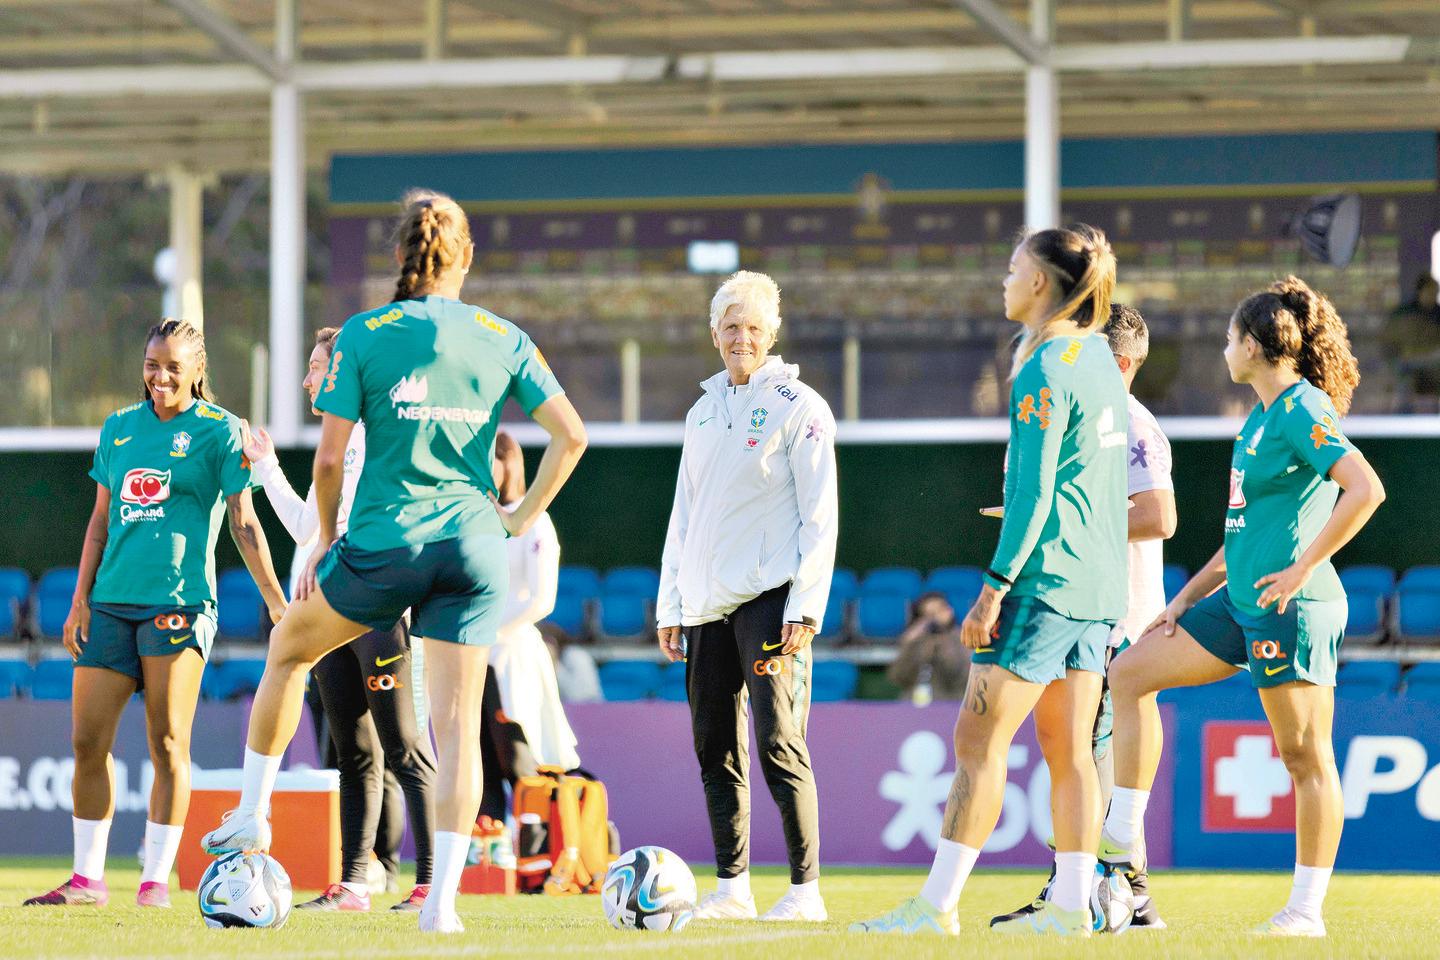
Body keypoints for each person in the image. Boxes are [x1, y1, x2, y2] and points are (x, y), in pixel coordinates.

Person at [201, 189, 587, 935]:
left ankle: (252, 816)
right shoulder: (502, 335)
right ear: (466, 256)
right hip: (474, 549)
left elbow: (333, 457)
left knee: (287, 651)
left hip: (386, 543)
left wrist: (316, 542)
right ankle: (439, 907)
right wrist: (518, 517)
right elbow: (570, 436)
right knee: (456, 726)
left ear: (400, 256)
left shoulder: (363, 333)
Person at [854, 224, 1126, 937]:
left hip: (1041, 586)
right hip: (1098, 588)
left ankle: (935, 907)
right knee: (1070, 756)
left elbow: (1035, 494)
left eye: (1012, 268)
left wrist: (994, 587)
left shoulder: (1044, 366)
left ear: (1040, 283)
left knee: (978, 747)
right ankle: (1071, 910)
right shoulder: (1099, 357)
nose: (1004, 280)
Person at [1104, 277, 1385, 937]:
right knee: (1130, 673)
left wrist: (1302, 568)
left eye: (1231, 338)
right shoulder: (1257, 420)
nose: (1224, 350)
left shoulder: (1299, 408)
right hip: (1235, 602)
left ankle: (1305, 911)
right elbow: (1239, 538)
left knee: (1304, 756)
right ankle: (1119, 844)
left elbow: (1365, 489)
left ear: (1255, 346)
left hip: (1293, 607)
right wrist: (1180, 601)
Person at [25, 319, 286, 909]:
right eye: (151, 364)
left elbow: (244, 522)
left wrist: (275, 600)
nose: (160, 376)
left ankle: (154, 882)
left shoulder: (221, 432)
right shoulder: (118, 428)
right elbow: (99, 523)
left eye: (173, 366)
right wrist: (78, 601)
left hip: (180, 605)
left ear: (197, 369)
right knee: (88, 741)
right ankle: (87, 880)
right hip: (111, 606)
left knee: (168, 742)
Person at [657, 270, 839, 923]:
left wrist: (806, 604)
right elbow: (685, 513)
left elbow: (822, 514)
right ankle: (732, 887)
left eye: (754, 327)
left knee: (777, 740)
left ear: (772, 334)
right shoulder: (701, 413)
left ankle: (805, 891)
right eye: (731, 327)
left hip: (771, 597)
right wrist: (669, 604)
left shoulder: (800, 406)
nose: (742, 338)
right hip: (705, 605)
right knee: (715, 747)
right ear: (714, 334)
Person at [991, 302, 1176, 929]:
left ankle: (1078, 889)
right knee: (1083, 748)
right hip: (1092, 604)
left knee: (1083, 749)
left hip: (1116, 614)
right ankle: (1130, 892)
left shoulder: (1133, 423)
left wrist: (1070, 519)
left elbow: (1160, 516)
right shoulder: (1099, 414)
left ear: (1121, 362)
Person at [241, 325, 438, 912]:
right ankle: (354, 883)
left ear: (342, 370)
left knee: (404, 747)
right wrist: (268, 468)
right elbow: (310, 529)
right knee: (351, 751)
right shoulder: (340, 438)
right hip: (326, 613)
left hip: (378, 611)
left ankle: (430, 882)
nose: (306, 378)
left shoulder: (379, 431)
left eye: (315, 366)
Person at [488, 430, 581, 772]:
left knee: (521, 762)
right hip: (472, 661)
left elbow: (541, 599)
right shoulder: (472, 522)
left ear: (506, 463)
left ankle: (535, 826)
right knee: (478, 763)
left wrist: (488, 630)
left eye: (488, 460)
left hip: (513, 659)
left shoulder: (534, 520)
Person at [887, 592, 970, 704]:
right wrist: (909, 644)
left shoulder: (963, 638)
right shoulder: (915, 639)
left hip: (951, 704)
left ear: (950, 610)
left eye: (940, 610)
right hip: (913, 705)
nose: (936, 618)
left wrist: (943, 647)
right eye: (929, 615)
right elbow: (898, 677)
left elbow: (962, 678)